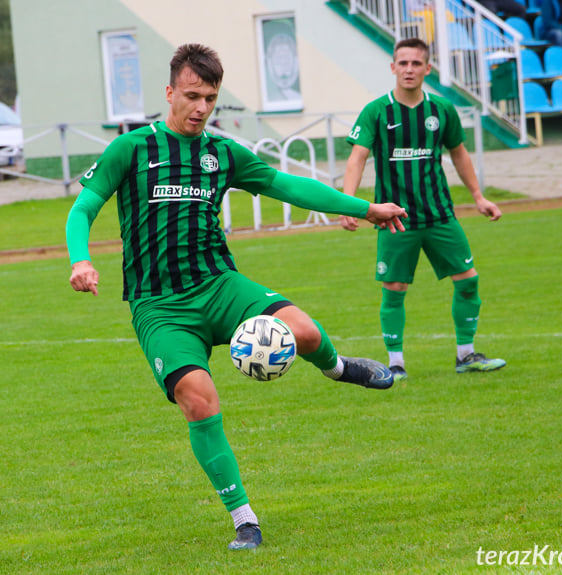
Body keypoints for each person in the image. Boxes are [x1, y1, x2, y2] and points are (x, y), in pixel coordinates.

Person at [66, 44, 407, 551]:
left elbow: (285, 185)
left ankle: (340, 369)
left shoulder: (221, 153)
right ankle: (244, 518)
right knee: (199, 401)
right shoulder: (132, 149)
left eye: (210, 98)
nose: (201, 108)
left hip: (220, 284)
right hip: (161, 306)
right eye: (191, 96)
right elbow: (83, 209)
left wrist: (365, 206)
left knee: (306, 331)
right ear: (169, 93)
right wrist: (81, 258)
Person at [340, 38, 506, 383]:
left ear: (427, 68)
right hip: (395, 219)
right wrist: (350, 204)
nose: (410, 69)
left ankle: (466, 355)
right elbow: (357, 157)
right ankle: (396, 363)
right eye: (403, 63)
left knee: (468, 282)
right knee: (394, 289)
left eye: (417, 63)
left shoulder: (442, 110)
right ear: (393, 68)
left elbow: (459, 153)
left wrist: (478, 197)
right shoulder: (376, 111)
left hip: (440, 215)